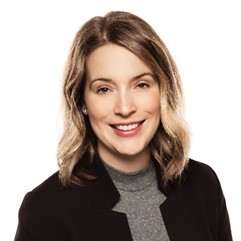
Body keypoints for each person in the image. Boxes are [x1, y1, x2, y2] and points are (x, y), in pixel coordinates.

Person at [14, 11, 232, 241]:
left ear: (163, 90)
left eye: (141, 85)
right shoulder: (45, 210)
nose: (125, 108)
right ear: (82, 101)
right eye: (104, 89)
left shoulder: (203, 184)